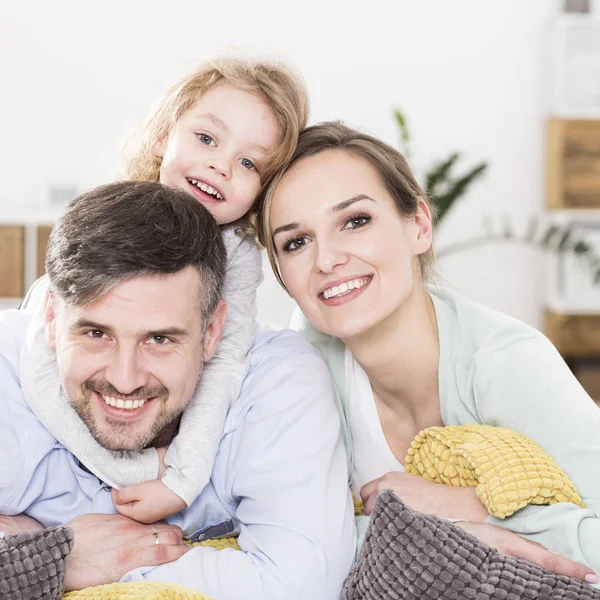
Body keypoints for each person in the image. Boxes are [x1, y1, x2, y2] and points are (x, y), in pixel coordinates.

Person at [259, 120, 600, 584]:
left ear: (419, 226)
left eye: (355, 221)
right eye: (296, 242)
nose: (326, 260)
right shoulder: (302, 364)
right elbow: (295, 545)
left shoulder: (505, 363)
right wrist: (430, 530)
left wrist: (468, 510)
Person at [0, 181, 355, 599]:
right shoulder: (7, 369)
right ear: (51, 318)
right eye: (97, 333)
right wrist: (51, 558)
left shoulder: (278, 384)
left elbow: (300, 587)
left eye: (160, 339)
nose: (125, 379)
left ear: (212, 331)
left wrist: (47, 551)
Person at [19, 56, 309, 524]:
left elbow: (224, 364)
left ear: (263, 189)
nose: (219, 165)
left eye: (249, 162)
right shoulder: (110, 216)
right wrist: (130, 469)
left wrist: (182, 477)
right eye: (206, 138)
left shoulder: (237, 255)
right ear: (162, 136)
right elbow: (40, 368)